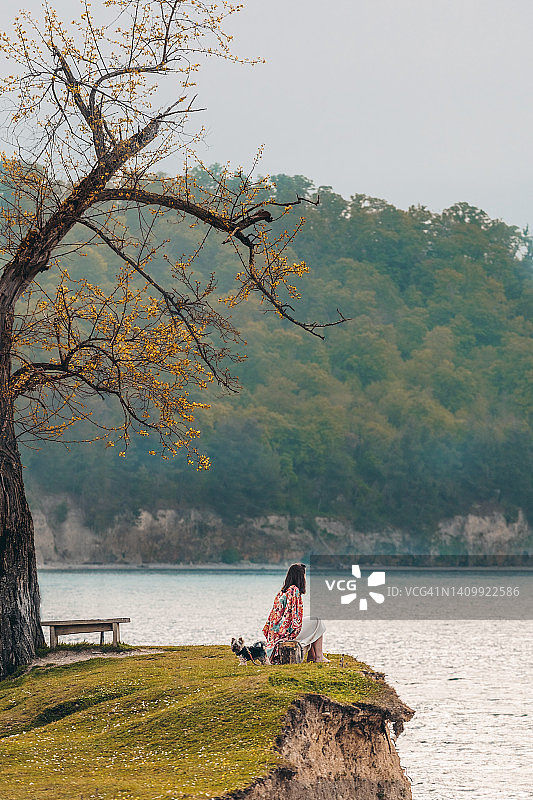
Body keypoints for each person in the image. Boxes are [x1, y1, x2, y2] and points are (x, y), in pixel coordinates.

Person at [263, 563, 328, 663]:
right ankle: (319, 657)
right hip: (286, 633)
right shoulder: (294, 590)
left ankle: (312, 656)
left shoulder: (282, 592)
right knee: (317, 621)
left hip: (276, 634)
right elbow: (295, 619)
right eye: (304, 575)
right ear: (300, 577)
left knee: (313, 625)